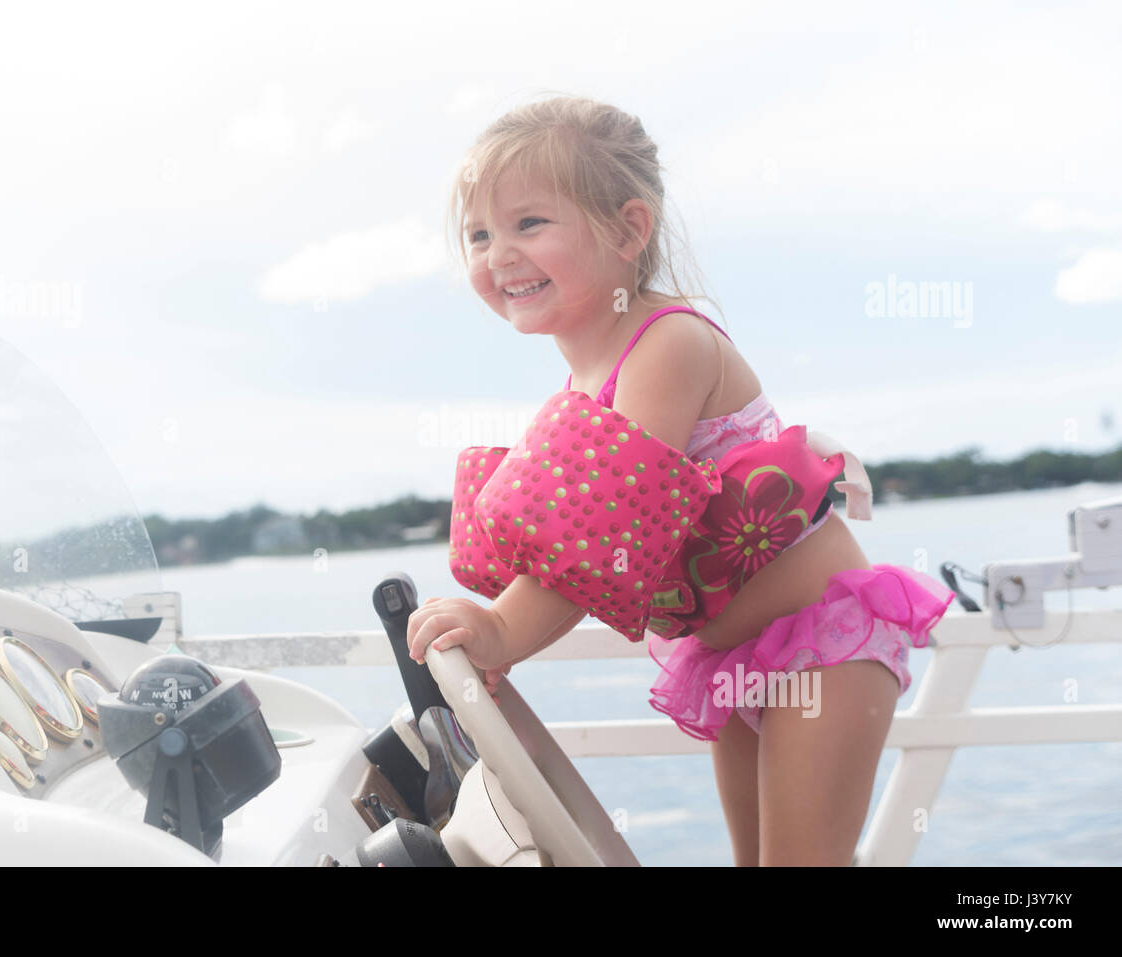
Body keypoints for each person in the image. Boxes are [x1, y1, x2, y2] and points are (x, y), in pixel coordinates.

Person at [406, 95, 953, 866]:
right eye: (479, 234)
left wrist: (498, 631)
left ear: (629, 229)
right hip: (734, 663)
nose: (498, 254)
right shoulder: (574, 394)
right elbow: (563, 555)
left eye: (529, 224)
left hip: (824, 649)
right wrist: (494, 637)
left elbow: (597, 540)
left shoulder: (669, 345)